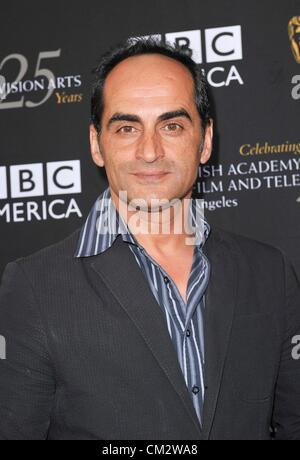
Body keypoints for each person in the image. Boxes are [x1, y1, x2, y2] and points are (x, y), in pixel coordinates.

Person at [0, 38, 300, 440]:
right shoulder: (33, 287)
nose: (150, 151)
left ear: (206, 140)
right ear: (96, 144)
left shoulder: (269, 271)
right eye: (127, 127)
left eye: (172, 125)